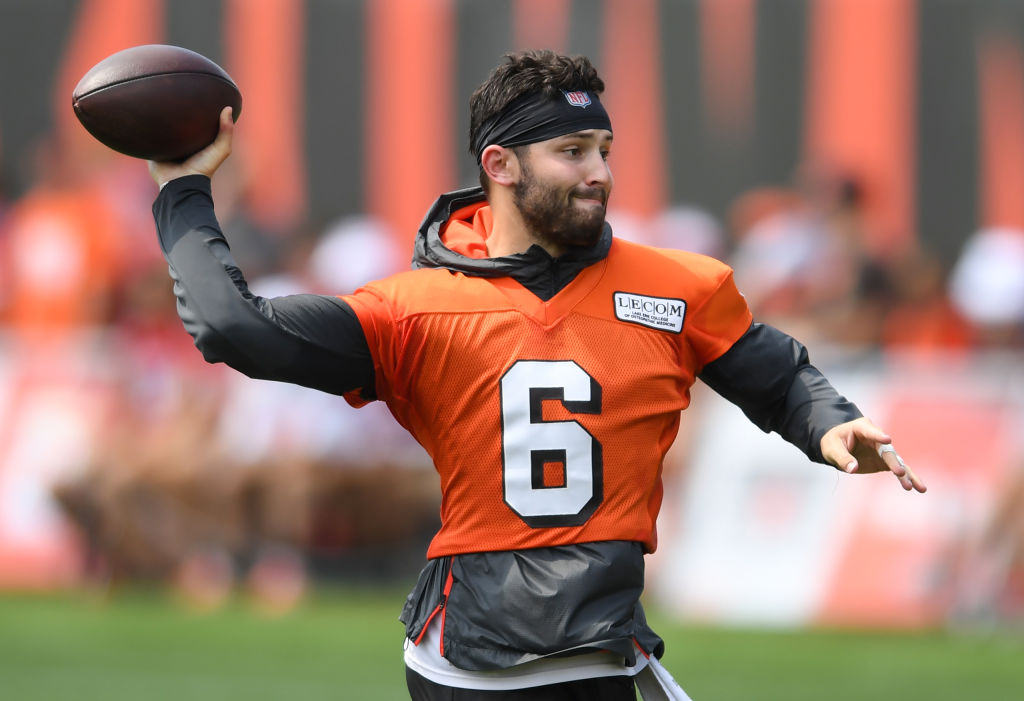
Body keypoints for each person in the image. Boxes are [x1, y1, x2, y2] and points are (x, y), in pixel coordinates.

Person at [146, 50, 925, 701]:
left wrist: (828, 420)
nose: (599, 173)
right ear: (501, 165)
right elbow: (235, 327)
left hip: (598, 651)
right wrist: (183, 192)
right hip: (472, 663)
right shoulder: (417, 308)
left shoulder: (675, 289)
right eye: (572, 151)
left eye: (604, 150)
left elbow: (775, 375)